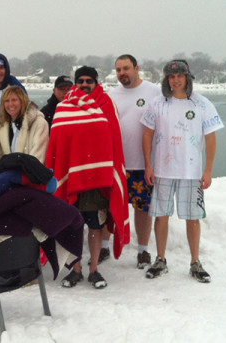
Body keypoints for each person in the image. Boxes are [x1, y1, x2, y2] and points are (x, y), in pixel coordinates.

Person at [45, 66, 129, 289]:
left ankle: (94, 269)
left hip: (96, 180)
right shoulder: (64, 106)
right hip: (71, 177)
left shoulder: (106, 104)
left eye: (88, 81)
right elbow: (59, 141)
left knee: (95, 225)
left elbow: (114, 141)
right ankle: (76, 269)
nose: (84, 84)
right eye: (80, 81)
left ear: (96, 82)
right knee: (73, 226)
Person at [141, 60, 224, 283]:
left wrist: (208, 170)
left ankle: (195, 262)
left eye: (180, 76)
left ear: (187, 78)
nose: (175, 80)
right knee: (161, 215)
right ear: (166, 79)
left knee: (193, 218)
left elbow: (211, 138)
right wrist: (148, 165)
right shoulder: (158, 103)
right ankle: (160, 259)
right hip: (162, 170)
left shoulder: (202, 104)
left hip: (191, 172)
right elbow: (147, 135)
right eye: (171, 76)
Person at [105, 54, 162, 269]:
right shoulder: (111, 96)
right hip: (116, 164)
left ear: (137, 68)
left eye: (126, 68)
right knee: (108, 207)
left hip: (143, 164)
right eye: (118, 70)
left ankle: (143, 251)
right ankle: (103, 246)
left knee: (142, 209)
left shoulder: (153, 92)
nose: (122, 73)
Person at [0, 85, 49, 163]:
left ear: (22, 101)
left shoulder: (39, 123)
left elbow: (38, 158)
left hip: (30, 173)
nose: (10, 104)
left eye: (14, 100)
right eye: (6, 101)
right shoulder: (2, 126)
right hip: (8, 172)